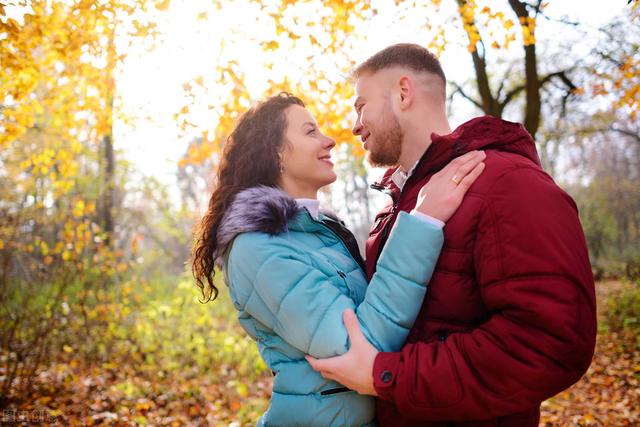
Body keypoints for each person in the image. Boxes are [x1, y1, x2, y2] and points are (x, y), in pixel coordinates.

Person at [307, 43, 597, 427]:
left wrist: (387, 374)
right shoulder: (395, 208)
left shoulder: (508, 183)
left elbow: (549, 342)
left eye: (361, 106)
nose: (354, 124)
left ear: (403, 92)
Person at [190, 92, 485, 426]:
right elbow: (359, 348)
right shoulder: (256, 248)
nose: (329, 140)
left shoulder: (318, 233)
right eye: (310, 132)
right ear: (276, 155)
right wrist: (422, 221)